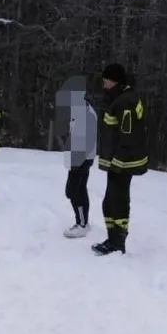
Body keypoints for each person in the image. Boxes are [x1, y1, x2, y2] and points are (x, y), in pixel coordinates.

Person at [92, 63, 148, 255]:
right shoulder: (117, 98)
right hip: (116, 161)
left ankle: (118, 243)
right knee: (109, 202)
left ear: (114, 81)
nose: (104, 84)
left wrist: (117, 161)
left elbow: (128, 135)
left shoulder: (125, 102)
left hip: (124, 162)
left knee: (118, 201)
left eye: (106, 80)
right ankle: (112, 239)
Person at [58, 76, 97, 238]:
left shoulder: (85, 112)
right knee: (79, 189)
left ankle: (81, 224)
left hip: (82, 158)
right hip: (80, 157)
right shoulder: (79, 110)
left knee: (73, 191)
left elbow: (85, 139)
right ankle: (83, 221)